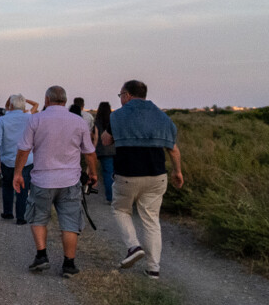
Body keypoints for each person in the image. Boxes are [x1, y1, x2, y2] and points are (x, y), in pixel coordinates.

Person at [99, 80, 184, 278]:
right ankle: (153, 268)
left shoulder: (118, 116)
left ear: (127, 95)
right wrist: (177, 172)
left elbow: (105, 140)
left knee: (120, 209)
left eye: (120, 95)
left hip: (127, 175)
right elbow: (173, 149)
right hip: (157, 176)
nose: (120, 99)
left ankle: (133, 247)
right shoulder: (162, 116)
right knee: (151, 220)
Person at [12, 85, 97, 277]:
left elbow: (24, 149)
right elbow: (90, 152)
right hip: (70, 180)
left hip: (42, 179)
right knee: (69, 221)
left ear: (47, 100)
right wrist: (93, 173)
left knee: (39, 217)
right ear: (65, 101)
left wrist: (17, 173)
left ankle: (41, 256)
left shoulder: (36, 119)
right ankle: (69, 264)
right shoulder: (78, 121)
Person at [0, 94, 33, 223]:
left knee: (8, 185)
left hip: (7, 160)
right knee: (23, 187)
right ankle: (21, 216)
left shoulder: (3, 120)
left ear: (11, 105)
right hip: (27, 160)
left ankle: (8, 212)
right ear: (23, 105)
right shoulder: (30, 119)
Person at [93, 100, 115, 203]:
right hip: (116, 150)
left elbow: (96, 137)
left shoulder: (97, 123)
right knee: (118, 174)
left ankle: (110, 197)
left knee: (107, 174)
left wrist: (94, 149)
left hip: (103, 151)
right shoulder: (114, 120)